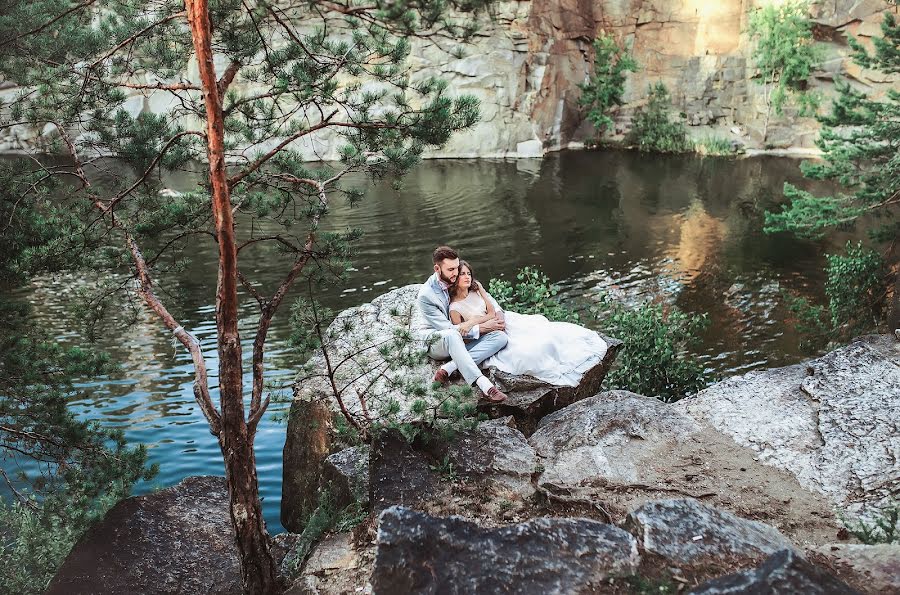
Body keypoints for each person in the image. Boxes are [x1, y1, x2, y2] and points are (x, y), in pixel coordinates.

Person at [449, 260, 608, 387]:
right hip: (488, 333)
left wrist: (491, 308)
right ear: (455, 278)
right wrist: (485, 327)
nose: (467, 277)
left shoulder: (476, 290)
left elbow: (493, 309)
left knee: (546, 332)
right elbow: (463, 338)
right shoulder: (454, 307)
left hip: (503, 321)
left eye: (469, 273)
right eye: (462, 274)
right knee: (528, 353)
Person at [417, 246, 510, 403]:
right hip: (437, 341)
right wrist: (481, 326)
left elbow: (482, 295)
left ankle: (450, 367)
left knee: (500, 338)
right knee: (453, 335)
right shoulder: (426, 295)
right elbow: (447, 329)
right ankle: (486, 386)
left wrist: (498, 315)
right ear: (437, 268)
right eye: (451, 269)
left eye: (456, 268)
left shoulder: (455, 280)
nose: (456, 272)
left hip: (461, 338)